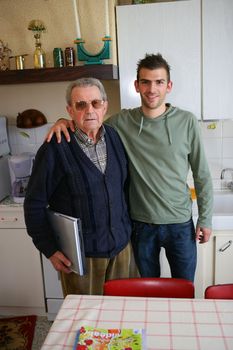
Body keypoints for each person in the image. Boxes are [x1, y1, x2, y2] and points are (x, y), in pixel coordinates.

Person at [46, 53, 213, 282]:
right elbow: (89, 119)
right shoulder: (120, 123)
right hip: (140, 226)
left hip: (180, 223)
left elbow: (202, 174)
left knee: (184, 289)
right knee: (144, 294)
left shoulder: (187, 122)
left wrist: (205, 218)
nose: (152, 89)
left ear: (169, 86)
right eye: (145, 81)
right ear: (136, 85)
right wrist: (63, 122)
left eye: (159, 82)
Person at [24, 77, 134, 296]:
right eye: (81, 105)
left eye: (95, 103)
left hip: (121, 250)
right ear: (70, 110)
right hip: (82, 257)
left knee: (122, 316)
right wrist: (50, 250)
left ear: (105, 106)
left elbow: (123, 189)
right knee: (85, 322)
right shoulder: (54, 148)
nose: (89, 110)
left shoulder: (114, 137)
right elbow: (33, 205)